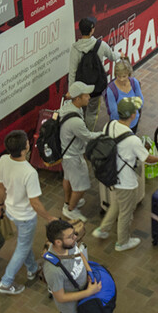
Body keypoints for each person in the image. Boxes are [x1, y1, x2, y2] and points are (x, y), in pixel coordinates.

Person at [92, 100, 158, 251]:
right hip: (126, 181)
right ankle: (122, 242)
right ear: (133, 115)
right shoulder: (133, 140)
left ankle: (104, 229)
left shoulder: (110, 125)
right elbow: (147, 158)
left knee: (117, 203)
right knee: (126, 213)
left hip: (111, 174)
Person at [0, 130, 55, 295]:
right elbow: (34, 202)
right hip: (25, 216)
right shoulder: (29, 172)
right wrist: (49, 218)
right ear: (24, 149)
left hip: (11, 210)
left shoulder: (4, 160)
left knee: (24, 242)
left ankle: (32, 269)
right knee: (22, 247)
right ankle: (6, 282)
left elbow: (0, 186)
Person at [71, 16, 126, 130]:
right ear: (92, 30)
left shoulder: (75, 48)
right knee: (92, 111)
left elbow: (72, 72)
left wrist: (72, 91)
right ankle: (87, 132)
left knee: (79, 110)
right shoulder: (100, 45)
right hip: (95, 87)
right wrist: (120, 55)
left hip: (80, 88)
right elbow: (112, 56)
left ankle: (78, 130)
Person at [59, 82, 102, 222]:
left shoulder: (67, 108)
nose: (89, 97)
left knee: (68, 178)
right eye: (86, 95)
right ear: (77, 99)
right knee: (82, 186)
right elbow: (88, 136)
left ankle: (68, 202)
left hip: (65, 153)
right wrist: (103, 133)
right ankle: (71, 209)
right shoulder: (76, 122)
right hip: (73, 157)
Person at [104, 60, 144, 131]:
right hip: (119, 126)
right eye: (118, 76)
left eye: (124, 76)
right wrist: (134, 103)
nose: (121, 79)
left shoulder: (134, 82)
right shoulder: (111, 89)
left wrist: (124, 108)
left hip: (134, 122)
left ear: (129, 74)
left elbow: (141, 103)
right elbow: (115, 112)